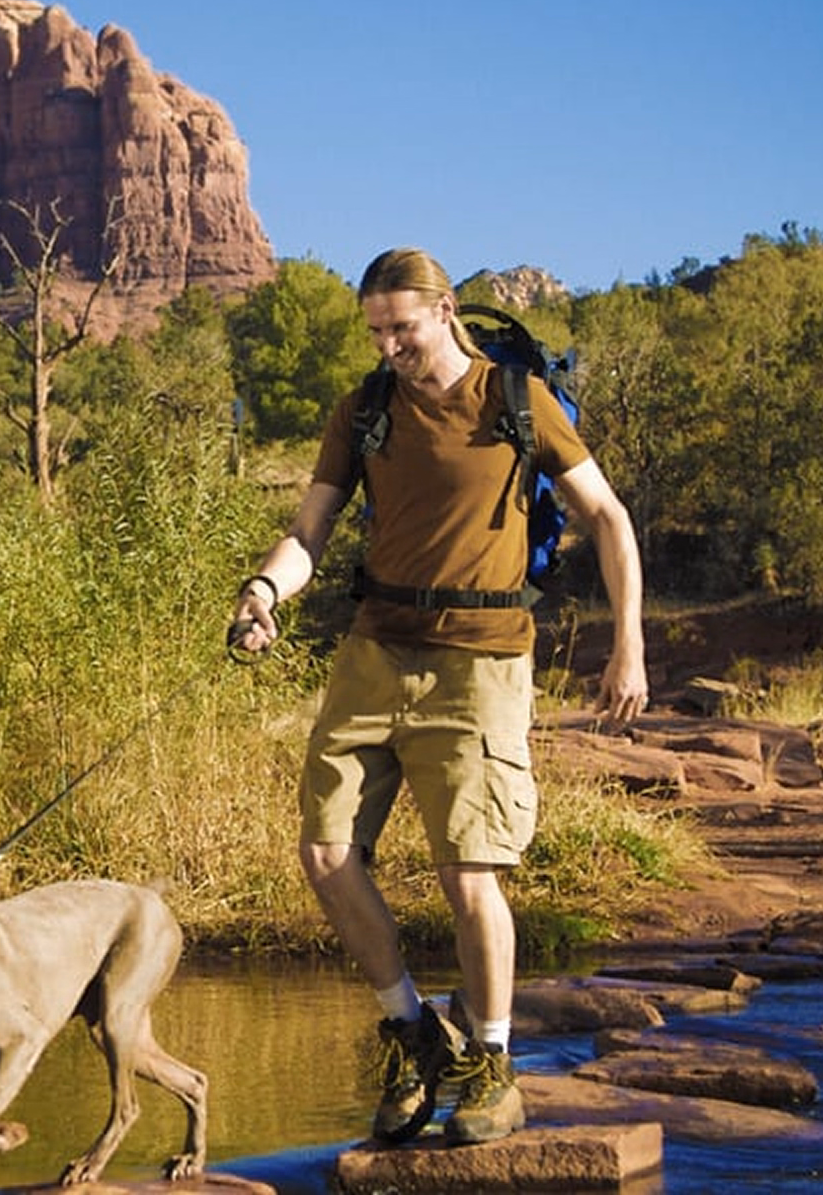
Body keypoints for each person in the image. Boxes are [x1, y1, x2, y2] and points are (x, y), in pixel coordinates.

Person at [229, 247, 647, 1147]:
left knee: (469, 873)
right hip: (374, 655)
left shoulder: (512, 401)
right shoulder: (366, 410)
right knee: (327, 854)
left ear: (445, 311)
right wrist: (263, 593)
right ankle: (415, 1033)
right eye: (376, 331)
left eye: (402, 328)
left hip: (483, 664)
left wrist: (630, 648)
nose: (388, 347)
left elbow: (607, 517)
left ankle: (493, 1068)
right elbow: (310, 529)